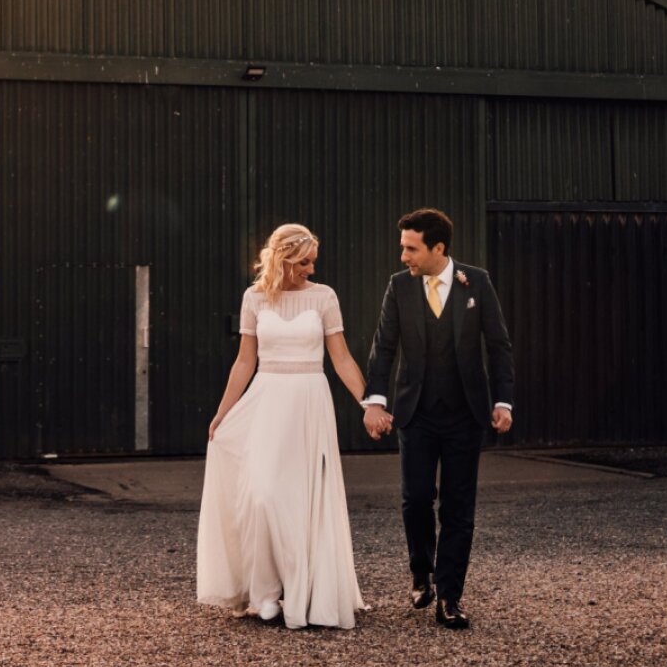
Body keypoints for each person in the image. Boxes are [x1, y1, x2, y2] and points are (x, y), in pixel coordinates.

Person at [196, 223, 369, 629]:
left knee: (302, 497)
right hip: (267, 399)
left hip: (309, 399)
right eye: (303, 261)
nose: (310, 268)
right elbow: (244, 361)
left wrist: (368, 404)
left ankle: (300, 591)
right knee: (262, 493)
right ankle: (264, 592)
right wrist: (222, 412)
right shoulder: (253, 298)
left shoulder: (324, 296)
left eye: (312, 261)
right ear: (283, 259)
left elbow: (341, 358)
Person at [361, 207, 516, 631]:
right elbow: (384, 348)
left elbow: (499, 347)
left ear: (438, 248)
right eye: (403, 247)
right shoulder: (399, 287)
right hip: (415, 413)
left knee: (459, 508)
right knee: (415, 499)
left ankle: (450, 596)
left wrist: (504, 402)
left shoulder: (476, 283)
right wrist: (375, 401)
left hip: (466, 414)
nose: (403, 257)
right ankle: (420, 572)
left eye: (411, 248)